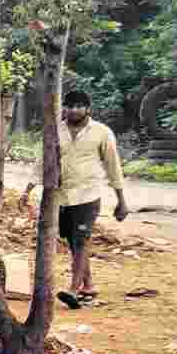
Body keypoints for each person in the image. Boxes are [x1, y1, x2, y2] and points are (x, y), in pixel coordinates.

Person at [55, 89, 129, 307]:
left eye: (79, 106)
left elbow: (113, 166)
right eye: (70, 105)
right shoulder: (55, 130)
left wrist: (121, 200)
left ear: (88, 109)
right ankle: (89, 285)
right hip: (63, 195)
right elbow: (45, 160)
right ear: (64, 108)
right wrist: (29, 188)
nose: (74, 110)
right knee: (73, 242)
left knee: (80, 240)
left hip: (88, 194)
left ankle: (74, 289)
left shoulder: (101, 132)